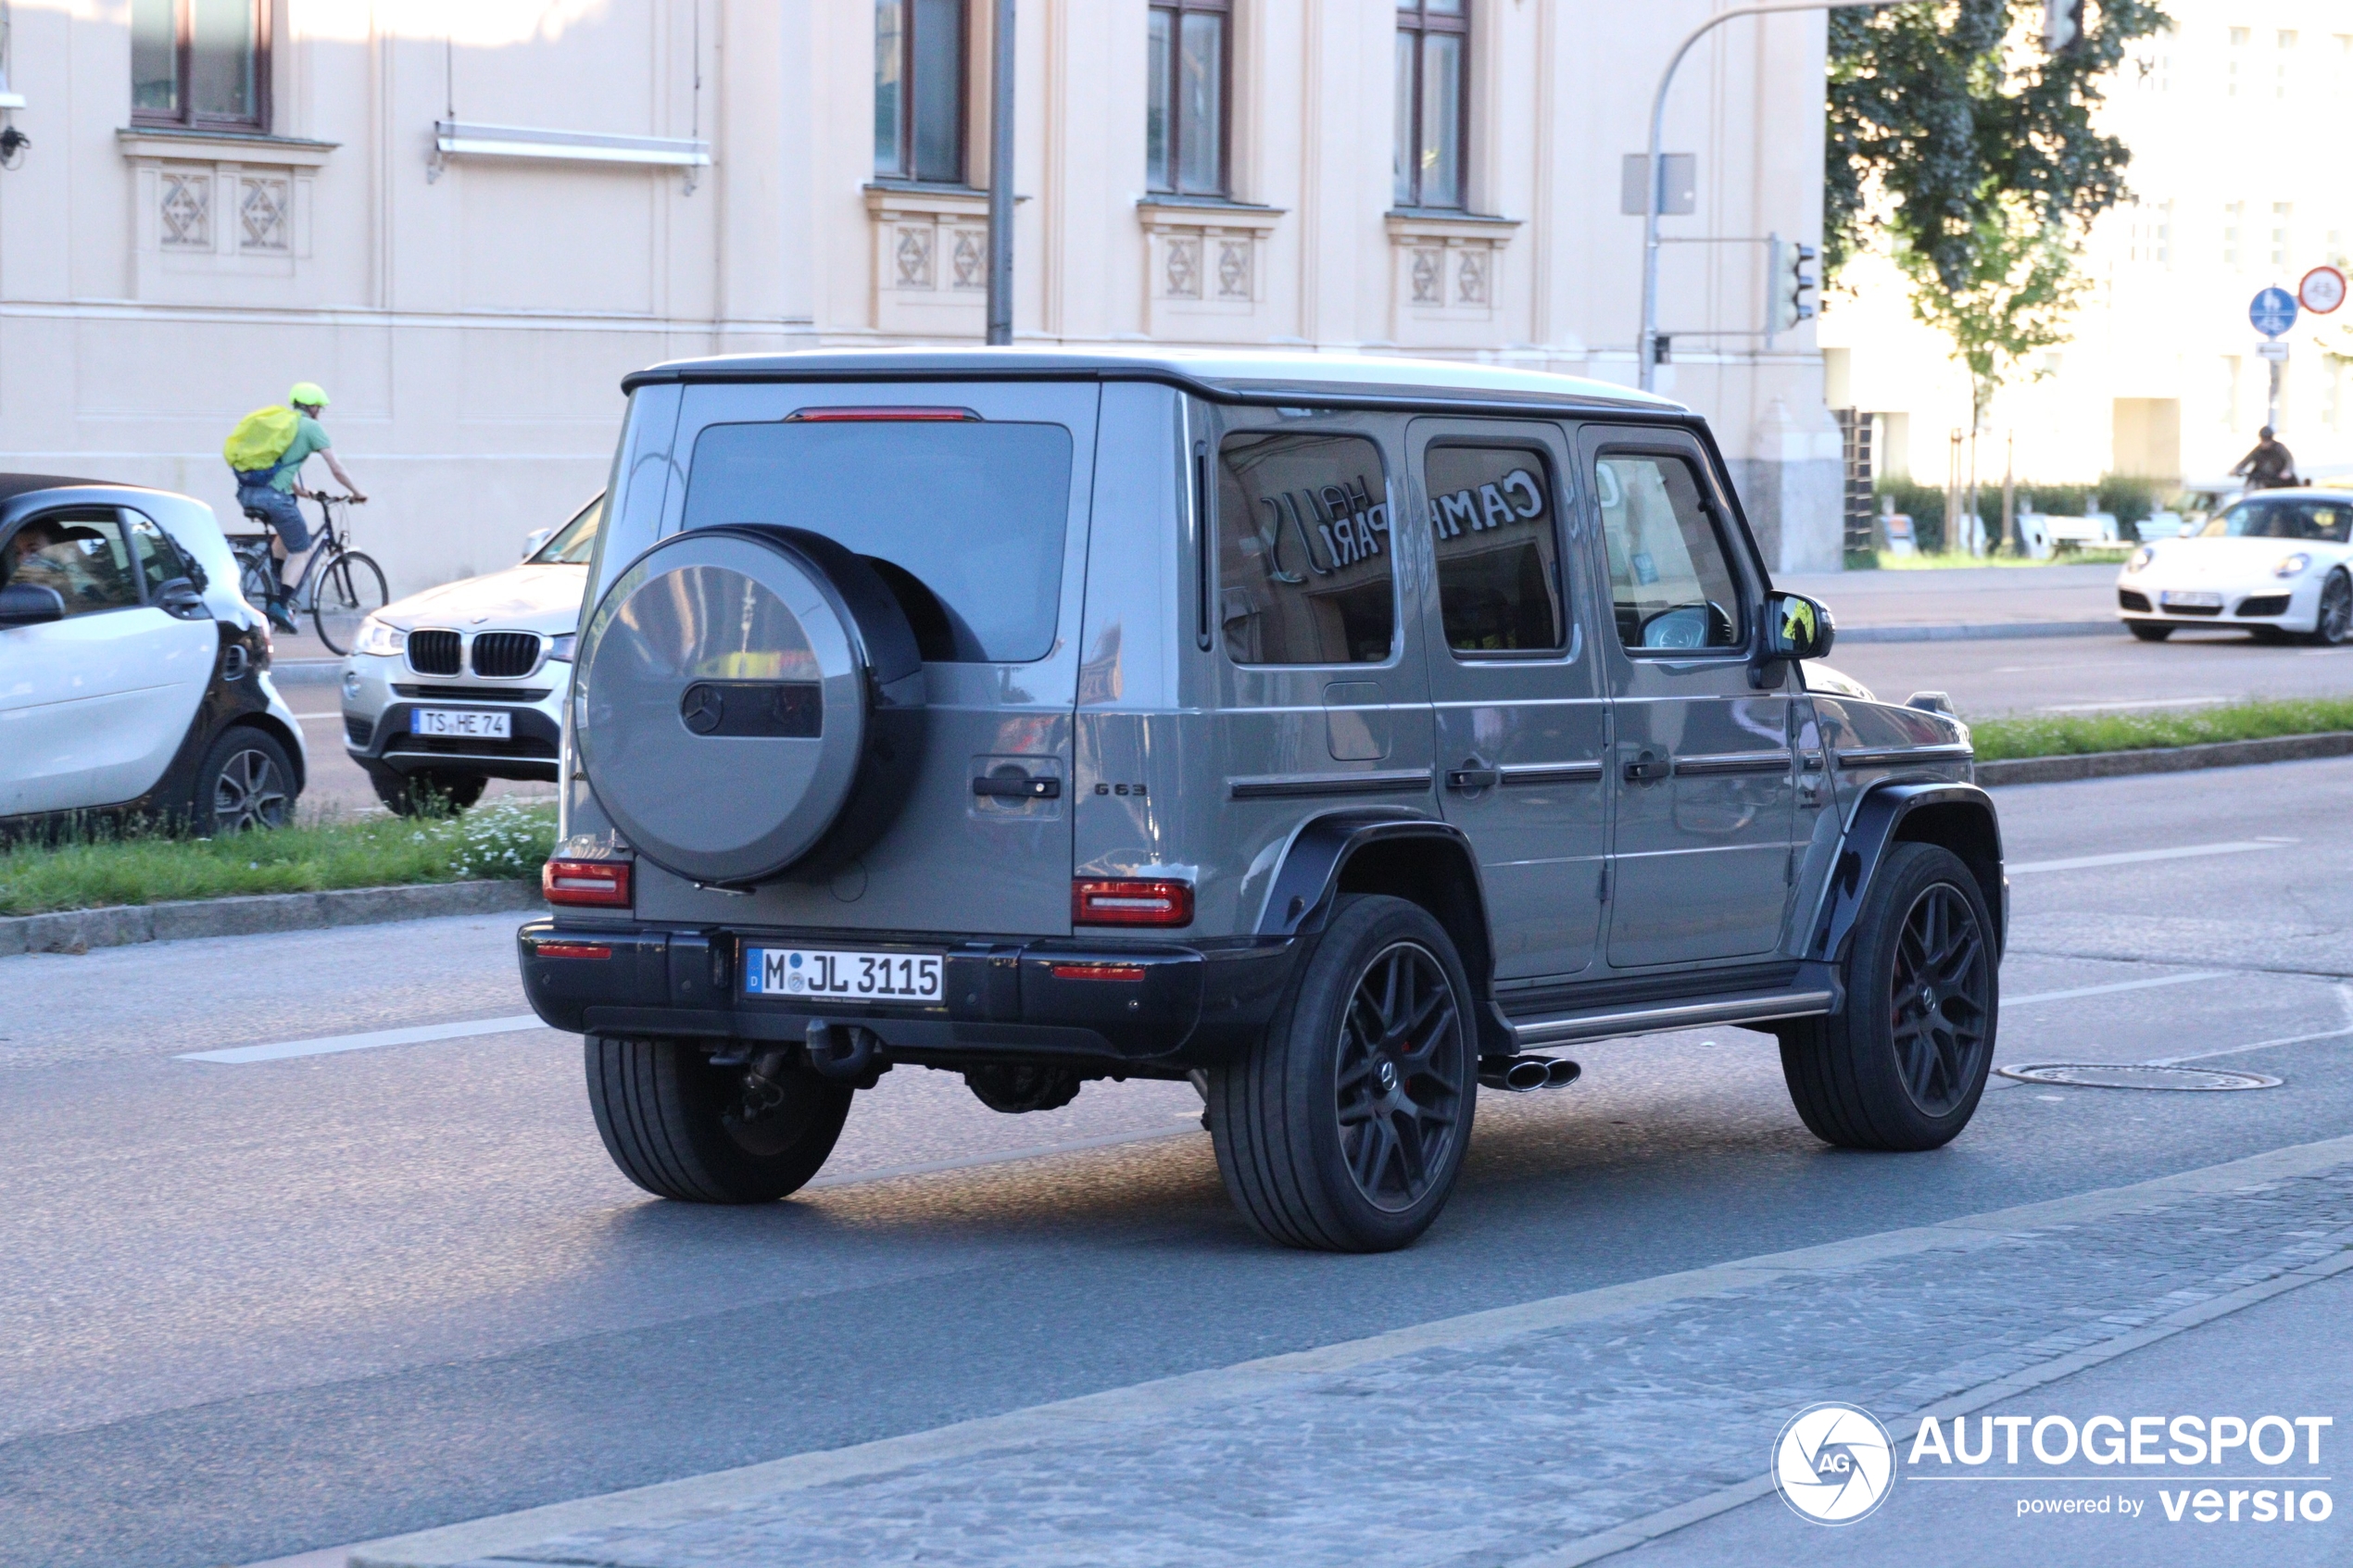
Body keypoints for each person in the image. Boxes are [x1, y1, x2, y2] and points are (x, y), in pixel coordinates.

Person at [228, 382, 367, 632]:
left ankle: (274, 589)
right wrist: (357, 493)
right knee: (301, 552)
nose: (320, 412)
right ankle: (280, 605)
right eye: (319, 408)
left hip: (248, 493)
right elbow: (336, 468)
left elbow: (276, 462)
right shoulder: (312, 428)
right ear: (312, 407)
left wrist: (300, 491)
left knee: (283, 536)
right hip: (275, 499)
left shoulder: (283, 424)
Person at [2231, 426, 2299, 492]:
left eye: (2267, 441)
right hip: (2262, 479)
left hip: (2278, 480)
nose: (2265, 443)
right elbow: (2246, 460)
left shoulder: (2279, 448)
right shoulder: (2258, 450)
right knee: (2251, 487)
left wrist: (2287, 471)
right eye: (2263, 440)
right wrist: (2237, 469)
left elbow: (2289, 460)